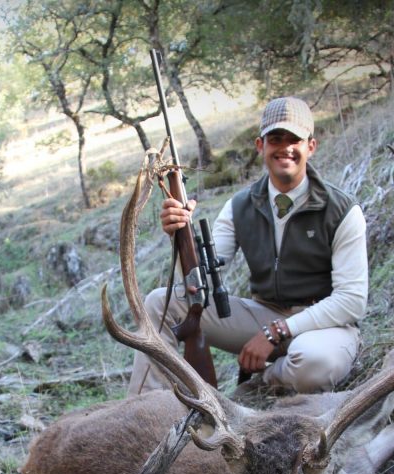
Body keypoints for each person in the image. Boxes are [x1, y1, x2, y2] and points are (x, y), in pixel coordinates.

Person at [127, 96, 368, 395]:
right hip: (264, 314)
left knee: (314, 364)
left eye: (295, 139)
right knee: (159, 303)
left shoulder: (342, 211)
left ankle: (262, 382)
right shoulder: (239, 206)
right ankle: (146, 408)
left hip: (325, 326)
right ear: (260, 146)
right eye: (275, 139)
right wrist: (179, 235)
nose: (285, 148)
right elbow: (196, 281)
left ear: (311, 146)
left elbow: (352, 301)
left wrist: (276, 332)